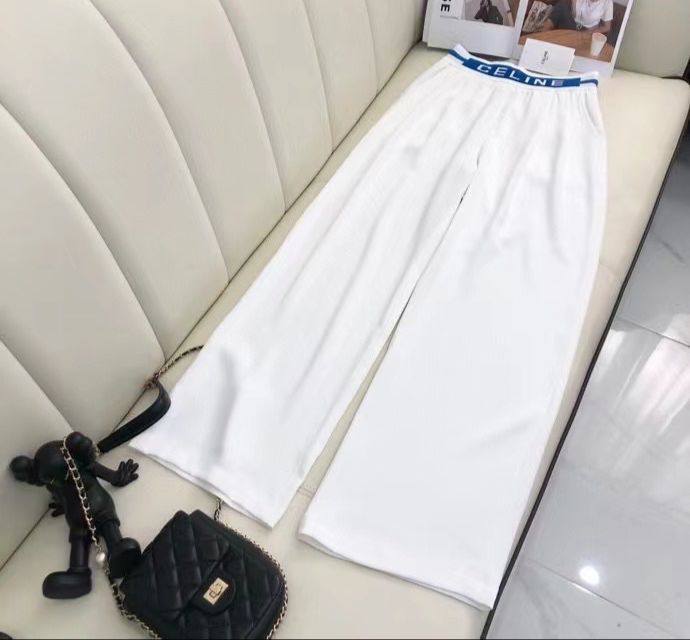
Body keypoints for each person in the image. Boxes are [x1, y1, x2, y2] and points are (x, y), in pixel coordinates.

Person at [541, 0, 613, 33]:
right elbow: (574, 15)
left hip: (587, 31)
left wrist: (588, 33)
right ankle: (542, 34)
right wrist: (574, 2)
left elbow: (607, 27)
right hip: (572, 24)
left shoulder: (608, 2)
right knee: (562, 5)